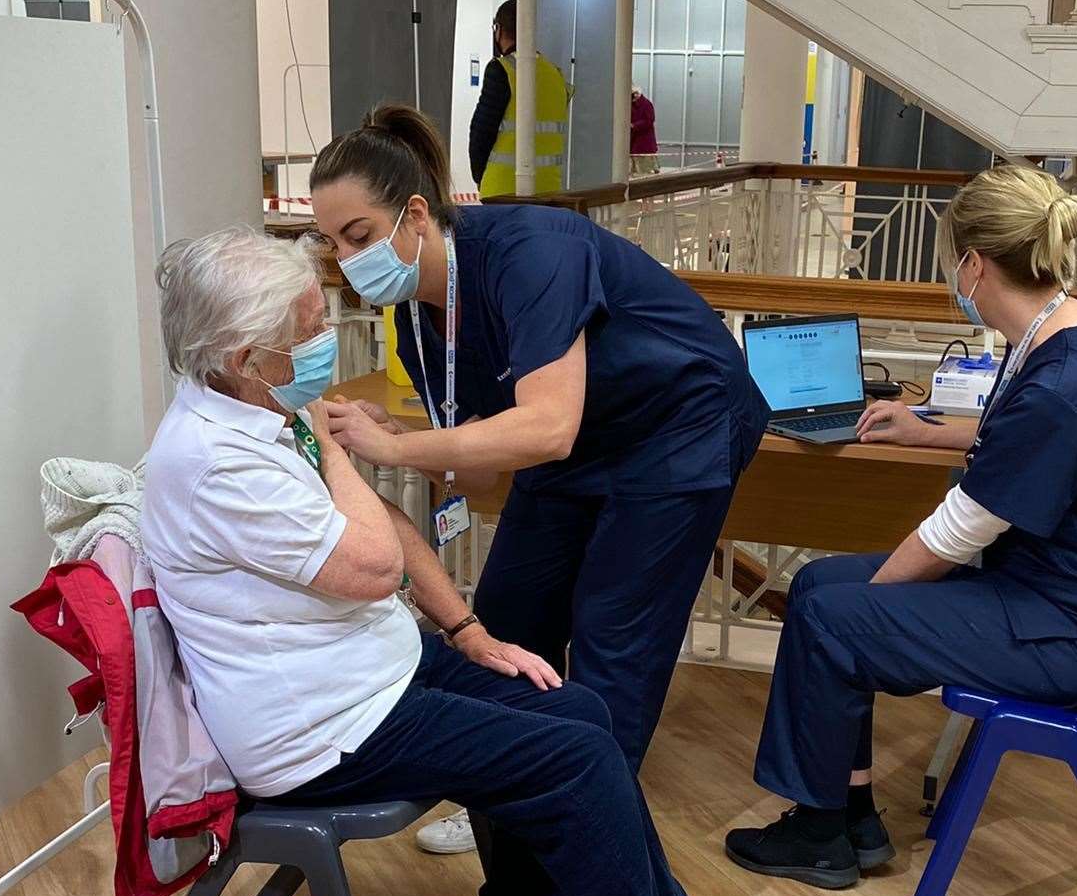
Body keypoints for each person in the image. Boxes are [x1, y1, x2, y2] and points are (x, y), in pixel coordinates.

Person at [140, 226, 787, 896]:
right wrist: (336, 445)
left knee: (577, 710)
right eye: (305, 332)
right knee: (575, 757)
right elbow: (372, 565)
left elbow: (391, 531)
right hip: (324, 730)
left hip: (378, 673)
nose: (325, 340)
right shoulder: (217, 460)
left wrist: (468, 631)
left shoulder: (260, 405)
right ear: (243, 355)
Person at [313, 106, 770, 852]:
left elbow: (547, 425)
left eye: (358, 236)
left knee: (614, 633)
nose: (346, 259)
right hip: (573, 452)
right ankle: (513, 789)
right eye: (330, 243)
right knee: (509, 614)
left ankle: (588, 829)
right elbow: (486, 449)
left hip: (675, 428)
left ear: (416, 213)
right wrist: (411, 441)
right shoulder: (412, 316)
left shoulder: (531, 250)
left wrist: (399, 453)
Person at [725, 164, 1077, 889]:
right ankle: (853, 813)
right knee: (816, 585)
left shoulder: (1063, 387)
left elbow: (953, 531)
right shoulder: (1063, 332)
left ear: (973, 264)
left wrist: (874, 609)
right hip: (1063, 596)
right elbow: (1023, 443)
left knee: (839, 616)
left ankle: (819, 834)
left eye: (952, 263)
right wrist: (925, 429)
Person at [469, 0, 570, 198]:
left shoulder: (501, 69)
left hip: (504, 191)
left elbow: (481, 131)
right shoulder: (555, 74)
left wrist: (480, 176)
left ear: (499, 29)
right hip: (549, 189)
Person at [630, 86, 659, 177]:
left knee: (645, 171)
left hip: (644, 141)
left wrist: (634, 125)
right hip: (634, 140)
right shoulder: (632, 104)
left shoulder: (647, 104)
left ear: (636, 94)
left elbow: (649, 120)